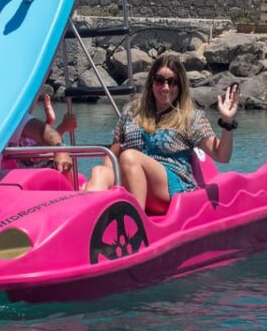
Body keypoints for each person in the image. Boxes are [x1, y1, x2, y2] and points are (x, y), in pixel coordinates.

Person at [85, 54, 240, 215]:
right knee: (99, 172)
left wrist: (227, 122)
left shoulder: (191, 117)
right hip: (132, 178)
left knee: (130, 157)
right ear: (151, 82)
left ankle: (136, 222)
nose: (165, 87)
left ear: (180, 86)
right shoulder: (131, 111)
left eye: (172, 82)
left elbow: (221, 155)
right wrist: (106, 176)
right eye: (159, 80)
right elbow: (113, 153)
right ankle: (90, 222)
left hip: (170, 186)